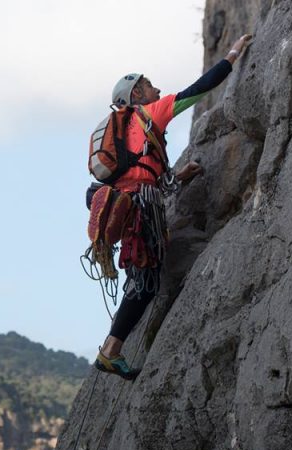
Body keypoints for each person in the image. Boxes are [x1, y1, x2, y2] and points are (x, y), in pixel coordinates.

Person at [94, 34, 253, 380]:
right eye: (149, 86)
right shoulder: (150, 114)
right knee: (146, 281)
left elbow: (145, 173)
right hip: (141, 207)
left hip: (129, 203)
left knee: (142, 275)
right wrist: (233, 54)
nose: (157, 89)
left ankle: (111, 348)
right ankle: (111, 351)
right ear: (136, 95)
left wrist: (179, 176)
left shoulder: (128, 130)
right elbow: (199, 89)